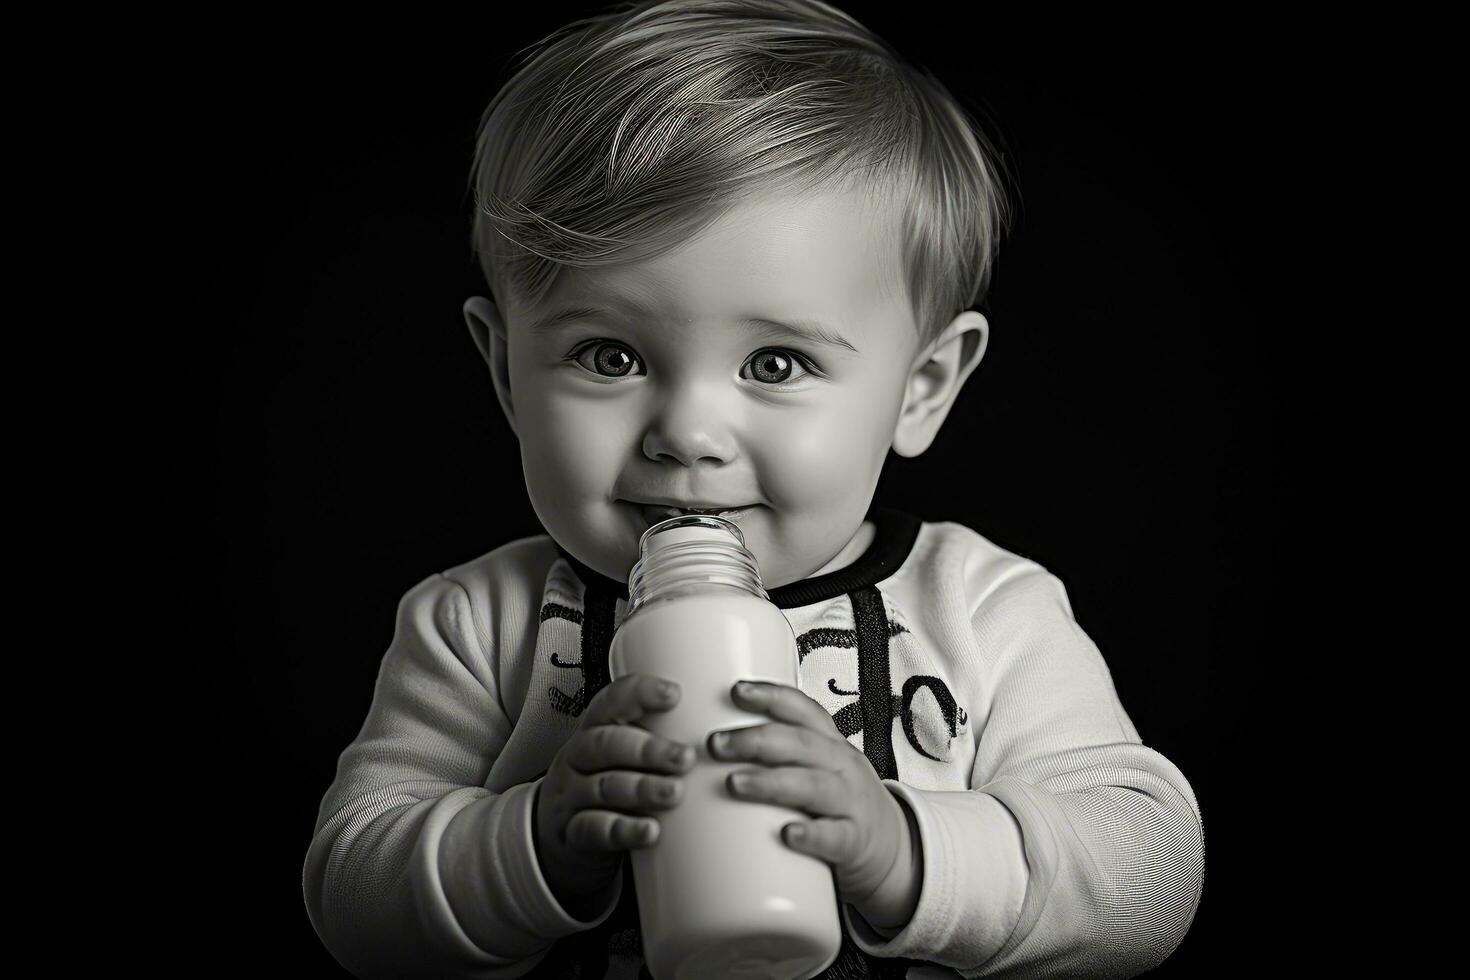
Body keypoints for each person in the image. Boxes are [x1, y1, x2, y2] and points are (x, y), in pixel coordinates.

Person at [302, 1, 1205, 977]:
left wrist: (903, 846)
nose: (687, 431)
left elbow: (1147, 876)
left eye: (775, 364)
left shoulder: (987, 610)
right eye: (610, 354)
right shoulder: (481, 623)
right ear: (506, 369)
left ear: (922, 387)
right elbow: (353, 894)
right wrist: (532, 842)